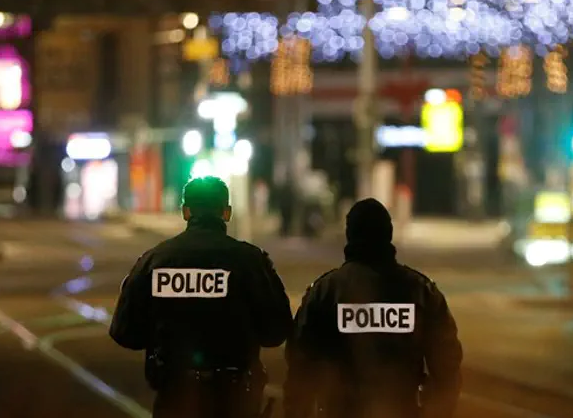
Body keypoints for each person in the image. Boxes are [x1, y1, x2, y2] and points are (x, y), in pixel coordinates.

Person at [110, 176, 293, 418]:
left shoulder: (155, 260)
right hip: (235, 398)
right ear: (226, 213)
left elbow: (125, 332)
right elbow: (276, 331)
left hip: (174, 395)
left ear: (186, 212)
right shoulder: (249, 261)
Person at [283, 198, 463, 418]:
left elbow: (300, 366)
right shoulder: (421, 292)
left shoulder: (325, 292)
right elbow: (448, 367)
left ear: (350, 235)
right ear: (388, 234)